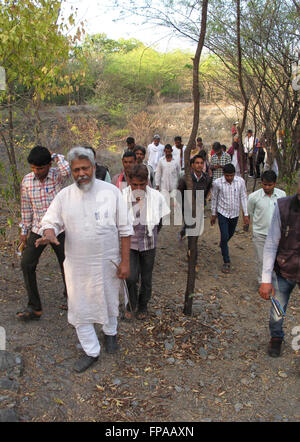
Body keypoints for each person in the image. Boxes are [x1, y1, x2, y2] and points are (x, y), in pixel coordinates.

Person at [36, 147, 133, 373]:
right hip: (77, 266)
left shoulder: (112, 193)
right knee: (79, 308)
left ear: (94, 166)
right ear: (70, 171)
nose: (81, 173)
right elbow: (49, 220)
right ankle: (91, 350)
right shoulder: (64, 196)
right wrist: (49, 231)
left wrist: (125, 262)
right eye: (76, 169)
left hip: (107, 262)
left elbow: (126, 231)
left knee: (109, 300)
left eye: (85, 168)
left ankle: (110, 333)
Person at [17, 146, 71, 321]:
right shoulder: (26, 181)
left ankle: (73, 300)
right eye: (33, 167)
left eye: (40, 168)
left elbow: (67, 169)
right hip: (37, 229)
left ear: (48, 165)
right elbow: (26, 209)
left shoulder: (57, 176)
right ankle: (34, 307)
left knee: (67, 265)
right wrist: (24, 232)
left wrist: (54, 155)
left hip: (60, 229)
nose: (36, 171)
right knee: (26, 264)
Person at [122, 164, 170, 320]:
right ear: (129, 181)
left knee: (146, 278)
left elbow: (160, 221)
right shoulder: (122, 197)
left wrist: (152, 233)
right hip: (130, 244)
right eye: (134, 184)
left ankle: (143, 306)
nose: (138, 188)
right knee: (130, 277)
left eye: (141, 184)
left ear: (147, 181)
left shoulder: (156, 197)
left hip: (149, 244)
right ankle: (131, 304)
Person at [259, 180, 300, 357]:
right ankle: (276, 337)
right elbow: (271, 242)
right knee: (277, 310)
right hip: (284, 268)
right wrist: (266, 279)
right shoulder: (283, 206)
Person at [248, 171, 286, 286]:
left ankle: (274, 280)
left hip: (277, 234)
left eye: (270, 185)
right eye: (264, 184)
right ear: (261, 183)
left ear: (275, 184)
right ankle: (262, 281)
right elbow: (251, 212)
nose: (267, 187)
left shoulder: (282, 195)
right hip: (260, 233)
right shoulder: (254, 197)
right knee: (261, 259)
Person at [211, 163, 249, 273]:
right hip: (222, 213)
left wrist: (245, 214)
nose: (229, 178)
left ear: (234, 174)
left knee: (230, 234)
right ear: (224, 174)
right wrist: (214, 214)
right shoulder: (217, 183)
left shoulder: (240, 182)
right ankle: (226, 261)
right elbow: (214, 198)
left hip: (234, 213)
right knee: (224, 235)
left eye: (231, 175)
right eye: (227, 176)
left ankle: (223, 244)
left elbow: (243, 196)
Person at [178, 154, 212, 240]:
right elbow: (179, 193)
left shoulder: (207, 179)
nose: (199, 165)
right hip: (187, 207)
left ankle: (186, 234)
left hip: (199, 206)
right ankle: (190, 246)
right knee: (189, 224)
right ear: (192, 165)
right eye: (197, 163)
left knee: (196, 226)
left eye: (201, 163)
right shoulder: (185, 179)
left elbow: (207, 191)